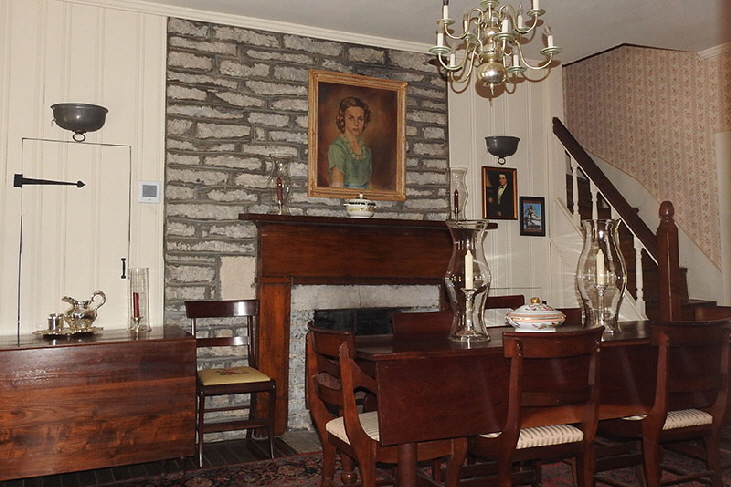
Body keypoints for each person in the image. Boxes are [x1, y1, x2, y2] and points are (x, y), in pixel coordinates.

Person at [328, 96, 372, 189]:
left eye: (360, 119)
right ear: (343, 119)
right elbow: (338, 187)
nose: (356, 123)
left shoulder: (366, 150)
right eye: (351, 118)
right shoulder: (337, 148)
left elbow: (369, 185)